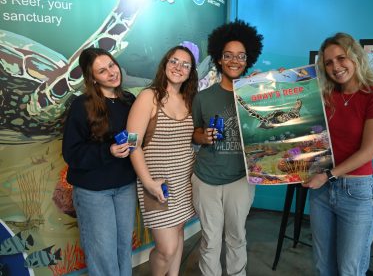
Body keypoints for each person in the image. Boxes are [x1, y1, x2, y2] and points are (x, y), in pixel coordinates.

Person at [302, 32, 373, 276]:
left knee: (349, 269)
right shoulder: (325, 96)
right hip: (321, 190)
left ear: (355, 57)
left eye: (341, 58)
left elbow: (368, 152)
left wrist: (328, 175)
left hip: (356, 192)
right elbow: (290, 108)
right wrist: (267, 82)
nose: (336, 67)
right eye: (328, 62)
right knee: (324, 266)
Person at [191, 20, 264, 276]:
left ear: (248, 60)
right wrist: (203, 138)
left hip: (241, 178)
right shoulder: (203, 97)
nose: (235, 60)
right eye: (228, 55)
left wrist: (268, 84)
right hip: (206, 178)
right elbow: (194, 133)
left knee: (237, 237)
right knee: (210, 241)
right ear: (219, 59)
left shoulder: (256, 92)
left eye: (241, 56)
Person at [62, 47, 137, 276]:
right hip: (94, 191)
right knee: (103, 254)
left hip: (125, 186)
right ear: (93, 78)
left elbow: (138, 137)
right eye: (102, 71)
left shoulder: (129, 100)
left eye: (112, 65)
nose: (111, 73)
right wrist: (108, 151)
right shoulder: (81, 105)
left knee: (124, 248)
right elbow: (71, 153)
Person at [127, 45, 198, 276]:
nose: (179, 67)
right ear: (165, 64)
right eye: (174, 61)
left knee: (177, 237)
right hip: (158, 185)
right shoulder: (149, 96)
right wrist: (147, 183)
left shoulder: (189, 99)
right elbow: (132, 144)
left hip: (184, 182)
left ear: (191, 71)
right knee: (166, 248)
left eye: (185, 64)